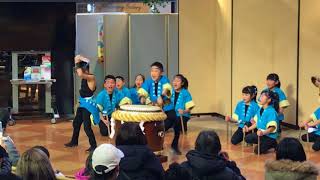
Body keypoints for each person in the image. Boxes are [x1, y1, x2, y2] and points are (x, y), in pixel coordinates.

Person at [65, 55, 100, 152]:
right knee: (76, 123)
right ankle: (74, 141)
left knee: (87, 127)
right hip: (83, 103)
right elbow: (79, 71)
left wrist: (77, 60)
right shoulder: (85, 78)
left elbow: (80, 73)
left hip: (88, 105)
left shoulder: (91, 77)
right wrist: (81, 59)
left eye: (79, 68)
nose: (77, 70)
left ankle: (94, 145)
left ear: (84, 69)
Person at [165, 74, 195, 154]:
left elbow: (190, 107)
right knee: (164, 126)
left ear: (182, 83)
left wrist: (184, 111)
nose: (175, 82)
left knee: (177, 124)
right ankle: (158, 144)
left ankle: (174, 146)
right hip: (172, 114)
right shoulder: (171, 92)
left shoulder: (186, 93)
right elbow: (167, 102)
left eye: (177, 81)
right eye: (174, 80)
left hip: (183, 115)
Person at [244, 90, 279, 154]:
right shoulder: (261, 109)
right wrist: (248, 129)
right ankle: (264, 143)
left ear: (269, 100)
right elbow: (257, 123)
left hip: (269, 136)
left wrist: (263, 133)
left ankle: (272, 143)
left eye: (263, 96)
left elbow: (272, 128)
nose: (260, 97)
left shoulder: (271, 111)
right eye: (261, 95)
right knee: (247, 138)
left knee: (257, 151)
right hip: (261, 134)